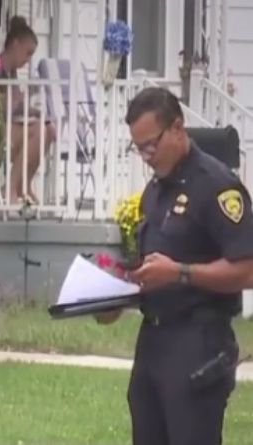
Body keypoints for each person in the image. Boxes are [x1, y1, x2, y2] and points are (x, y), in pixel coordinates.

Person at [97, 87, 253, 445]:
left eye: (151, 145)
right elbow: (154, 266)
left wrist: (181, 273)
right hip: (153, 341)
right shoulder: (156, 190)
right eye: (138, 148)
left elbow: (248, 269)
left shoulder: (217, 186)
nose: (146, 157)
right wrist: (118, 293)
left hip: (198, 341)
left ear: (177, 128)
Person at [0, 16, 56, 204]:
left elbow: (16, 106)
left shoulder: (12, 73)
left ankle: (24, 184)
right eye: (28, 53)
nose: (28, 60)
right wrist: (17, 101)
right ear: (15, 44)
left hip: (10, 127)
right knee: (38, 131)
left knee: (49, 130)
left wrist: (35, 112)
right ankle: (10, 187)